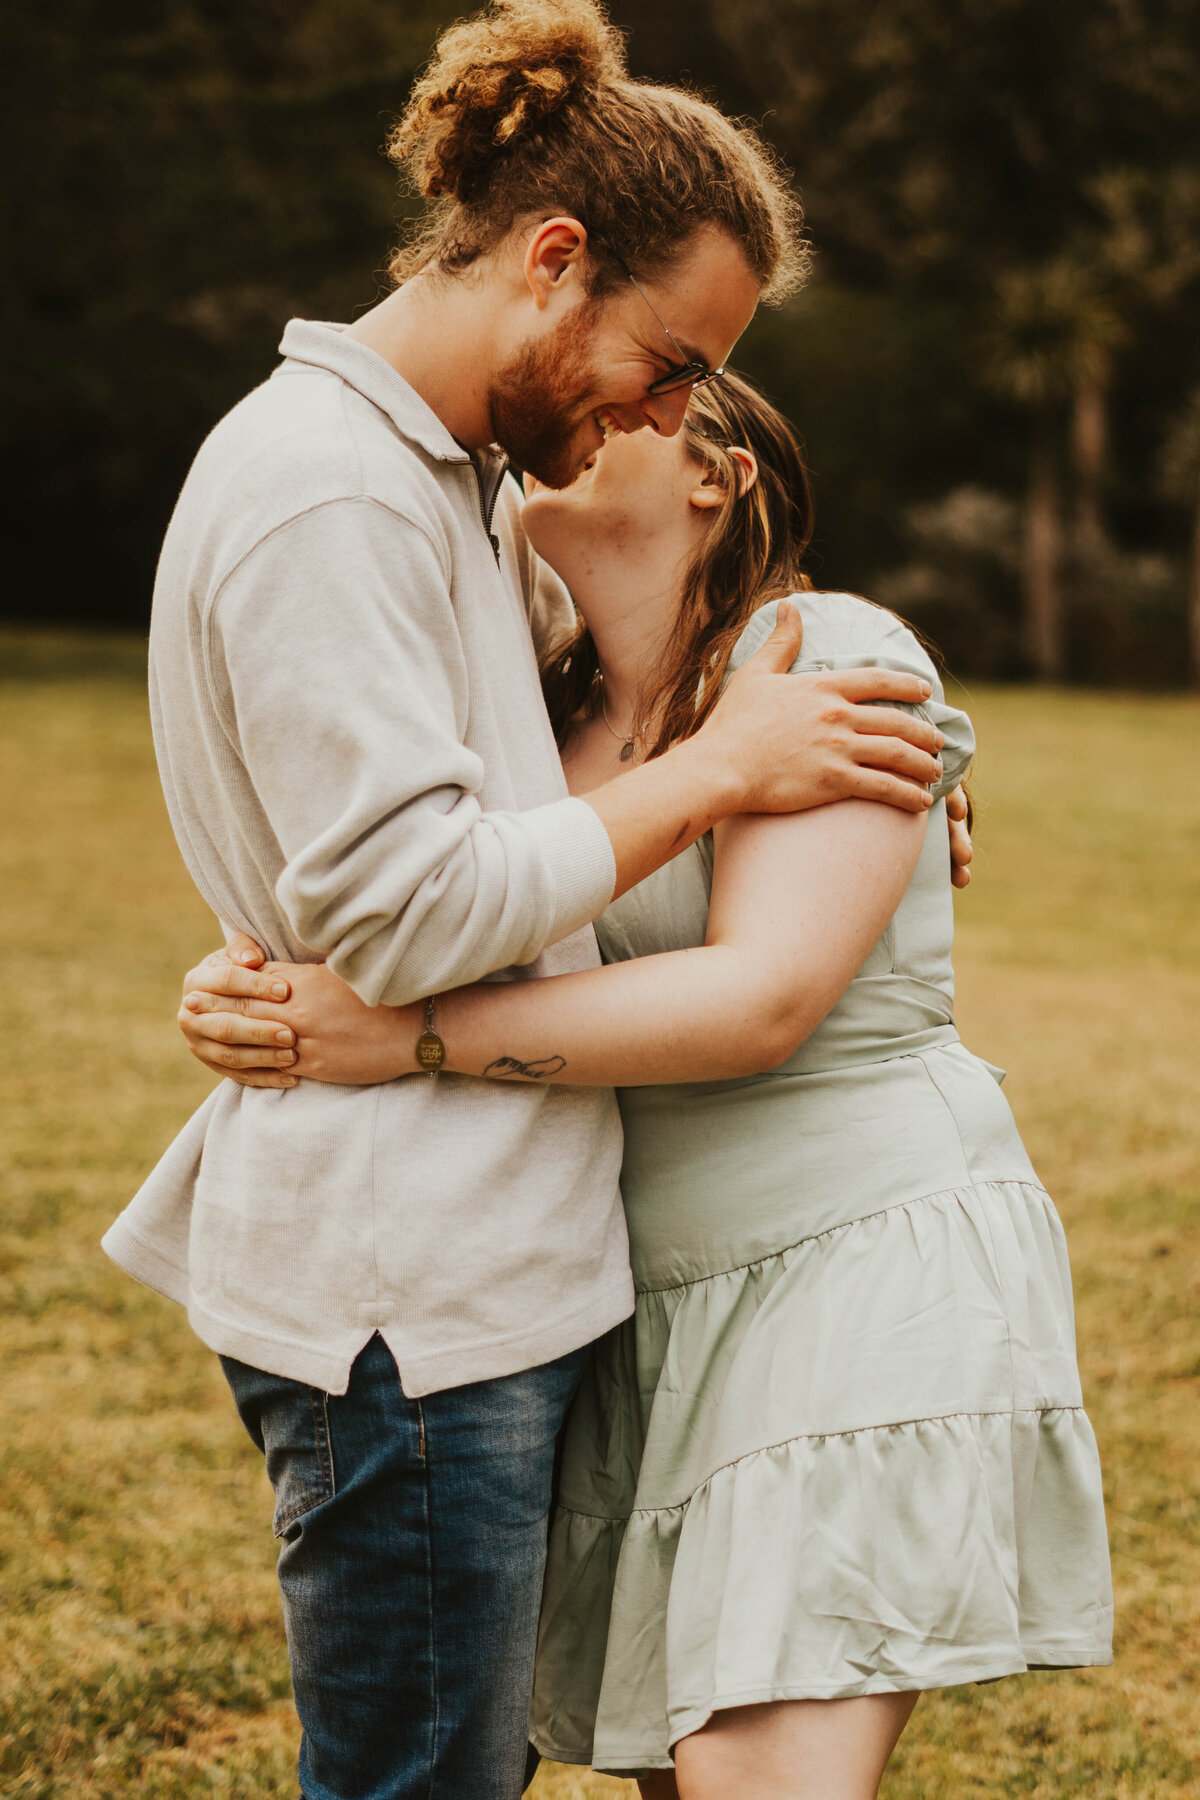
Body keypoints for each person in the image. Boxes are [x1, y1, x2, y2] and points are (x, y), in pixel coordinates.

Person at [100, 4, 965, 1797]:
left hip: (510, 1269)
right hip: (407, 1289)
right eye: (666, 356)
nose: (667, 404)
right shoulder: (335, 490)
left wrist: (883, 761)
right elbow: (409, 905)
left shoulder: (459, 500)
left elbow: (478, 826)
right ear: (555, 261)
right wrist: (722, 778)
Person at [180, 371, 1112, 1800]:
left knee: (752, 1776)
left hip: (852, 1256)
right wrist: (245, 978)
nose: (560, 425)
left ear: (715, 475)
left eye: (632, 398)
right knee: (691, 1775)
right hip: (642, 1302)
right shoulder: (528, 729)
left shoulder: (823, 651)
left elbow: (762, 1000)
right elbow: (427, 901)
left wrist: (407, 1036)